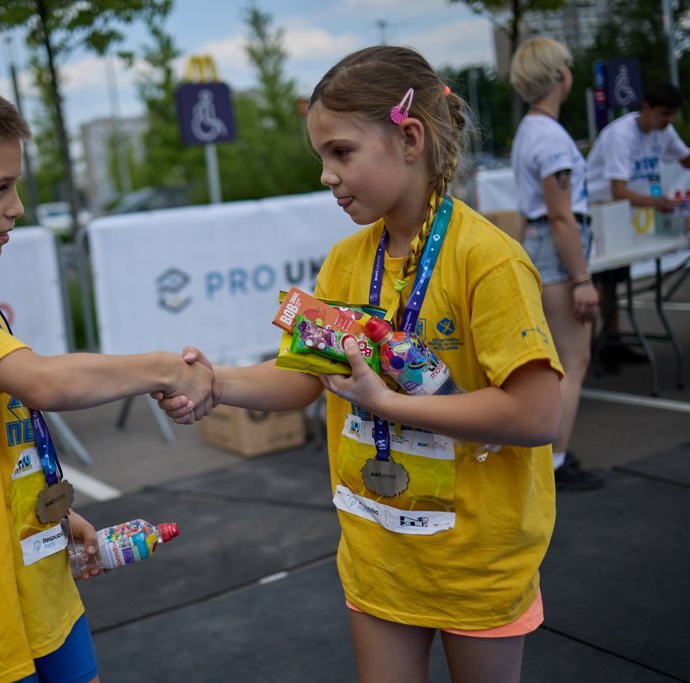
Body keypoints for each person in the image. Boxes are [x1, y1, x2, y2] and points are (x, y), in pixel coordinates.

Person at [158, 46, 563, 683]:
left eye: (341, 152)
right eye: (320, 156)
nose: (326, 174)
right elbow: (301, 378)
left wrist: (390, 405)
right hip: (379, 552)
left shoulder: (488, 259)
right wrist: (217, 383)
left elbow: (538, 413)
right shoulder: (345, 261)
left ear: (408, 139)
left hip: (478, 559)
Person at [0, 71, 214, 683]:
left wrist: (48, 511)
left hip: (33, 558)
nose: (17, 206)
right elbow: (44, 384)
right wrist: (161, 368)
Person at [509, 37, 605, 492]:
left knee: (559, 362)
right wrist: (582, 278)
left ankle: (552, 459)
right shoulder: (549, 137)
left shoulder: (531, 129)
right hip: (557, 251)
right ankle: (555, 463)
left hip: (544, 247)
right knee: (573, 360)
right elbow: (561, 214)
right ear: (560, 76)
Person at [585, 82, 690, 367]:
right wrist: (656, 202)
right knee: (599, 284)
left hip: (624, 215)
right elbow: (618, 190)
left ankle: (612, 340)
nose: (668, 122)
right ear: (646, 108)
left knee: (614, 283)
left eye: (672, 116)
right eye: (664, 114)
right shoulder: (622, 136)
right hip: (598, 213)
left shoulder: (663, 131)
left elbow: (685, 159)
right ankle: (595, 349)